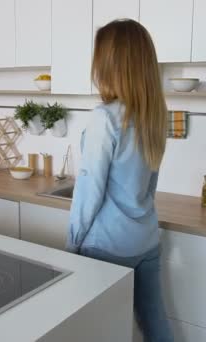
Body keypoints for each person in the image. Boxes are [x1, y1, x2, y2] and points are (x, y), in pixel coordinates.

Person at [66, 19, 173, 342]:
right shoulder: (155, 116)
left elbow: (89, 191)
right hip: (146, 240)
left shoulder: (105, 118)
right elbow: (150, 186)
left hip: (107, 246)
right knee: (155, 324)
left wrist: (72, 245)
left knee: (100, 331)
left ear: (110, 66)